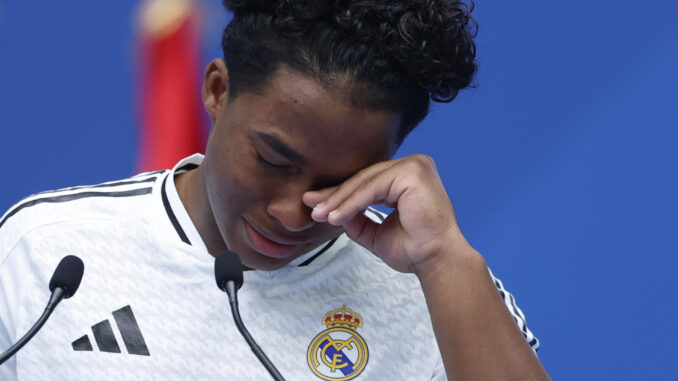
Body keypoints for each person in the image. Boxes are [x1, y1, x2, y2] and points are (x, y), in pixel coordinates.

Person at [0, 0, 551, 379]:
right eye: (270, 158)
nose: (292, 214)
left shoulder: (436, 291)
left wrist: (444, 259)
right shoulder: (44, 252)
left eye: (338, 185)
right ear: (218, 91)